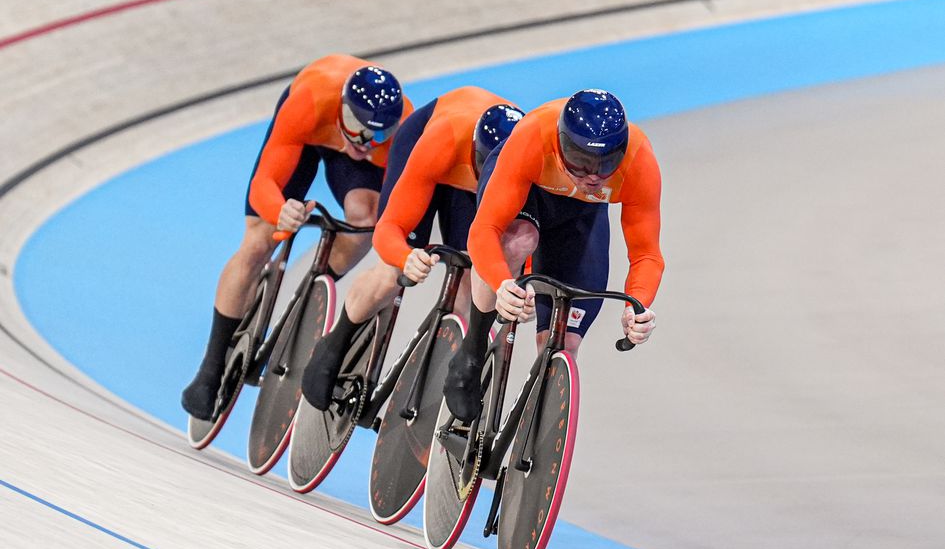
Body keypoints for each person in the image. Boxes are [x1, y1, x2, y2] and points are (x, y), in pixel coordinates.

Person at [182, 54, 412, 420]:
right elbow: (264, 185)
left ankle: (306, 298)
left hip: (346, 135)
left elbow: (396, 214)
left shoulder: (395, 135)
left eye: (380, 135)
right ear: (342, 112)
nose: (368, 143)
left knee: (367, 219)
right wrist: (280, 211)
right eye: (360, 131)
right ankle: (210, 365)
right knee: (259, 241)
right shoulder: (309, 103)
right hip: (310, 131)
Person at [444, 88, 663, 424]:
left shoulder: (639, 160)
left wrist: (638, 304)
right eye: (580, 160)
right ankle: (472, 352)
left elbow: (646, 253)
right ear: (560, 144)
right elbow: (483, 230)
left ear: (621, 151)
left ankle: (533, 442)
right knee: (519, 241)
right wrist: (502, 283)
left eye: (606, 163)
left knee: (564, 343)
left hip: (580, 214)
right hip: (529, 191)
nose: (592, 175)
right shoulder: (533, 136)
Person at [300, 86, 524, 410]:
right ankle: (335, 342)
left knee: (474, 278)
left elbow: (521, 240)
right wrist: (406, 256)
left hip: (474, 167)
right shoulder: (441, 142)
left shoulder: (524, 164)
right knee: (392, 274)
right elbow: (388, 229)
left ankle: (445, 366)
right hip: (435, 144)